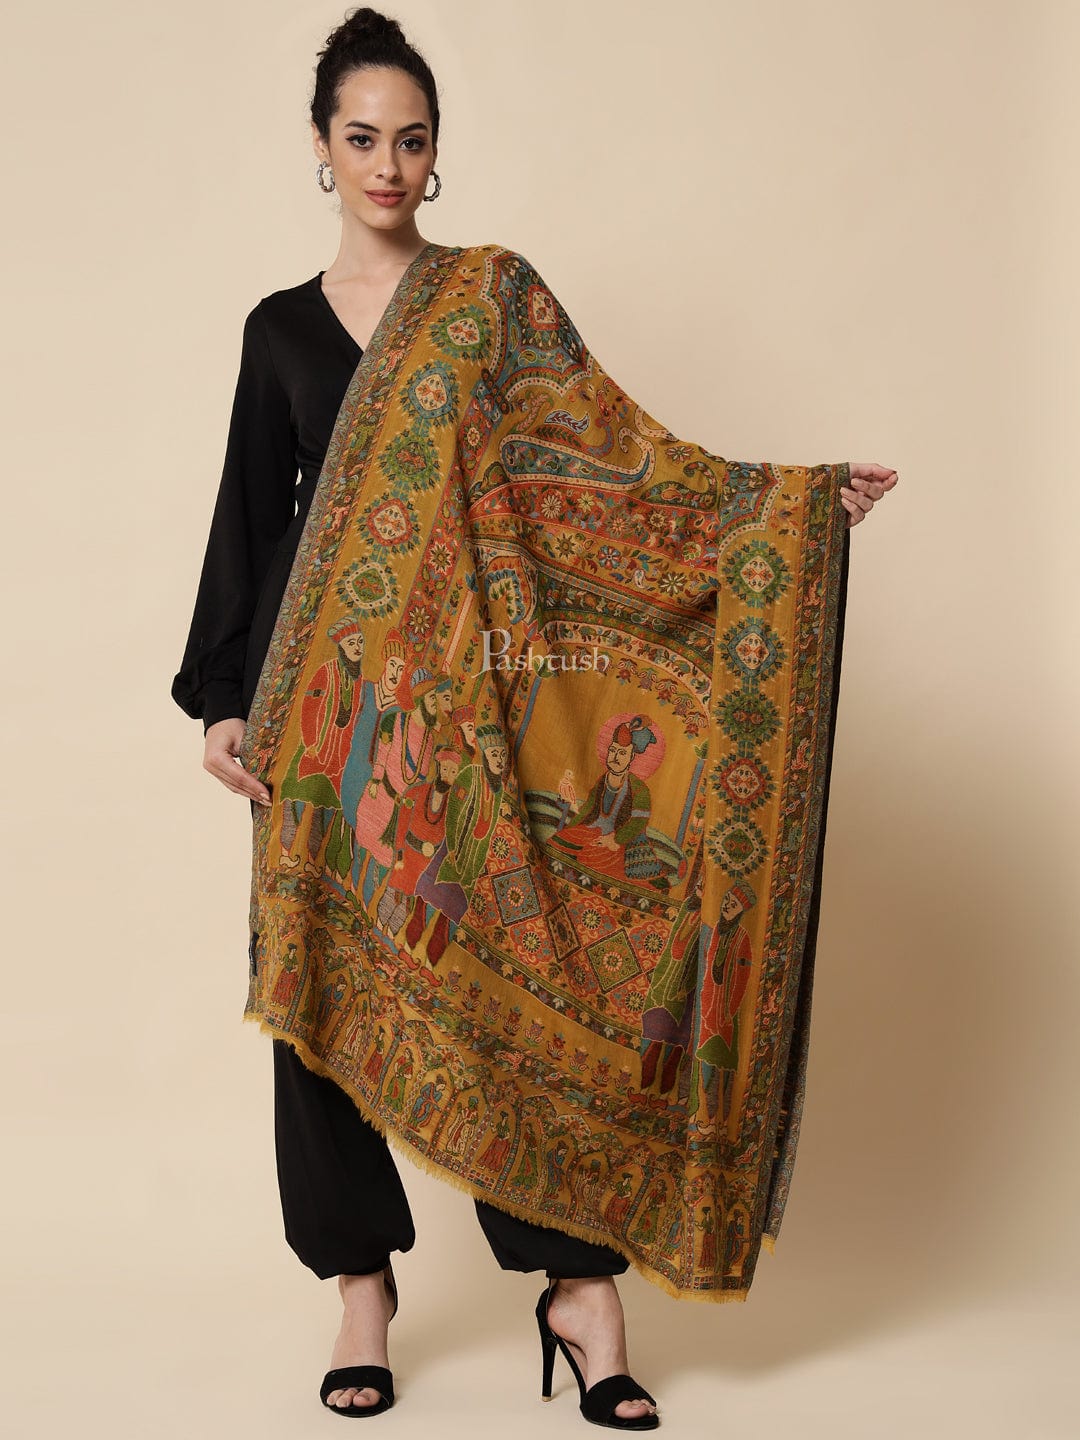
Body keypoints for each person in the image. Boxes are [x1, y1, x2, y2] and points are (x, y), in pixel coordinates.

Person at [171, 6, 897, 1427]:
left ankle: (577, 1289)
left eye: (412, 139)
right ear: (321, 149)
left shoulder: (493, 301)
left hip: (480, 714)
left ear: (437, 151)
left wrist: (780, 510)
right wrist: (221, 702)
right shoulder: (279, 331)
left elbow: (612, 468)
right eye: (363, 138)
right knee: (318, 987)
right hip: (323, 716)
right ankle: (360, 1290)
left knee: (515, 972)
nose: (388, 165)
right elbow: (252, 520)